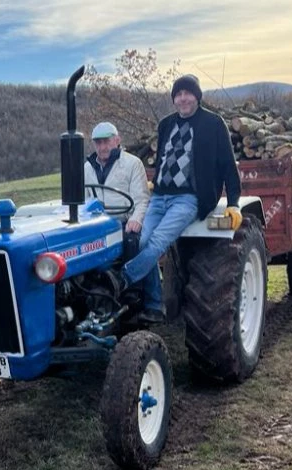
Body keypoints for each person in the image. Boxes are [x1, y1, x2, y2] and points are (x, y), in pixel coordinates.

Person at [111, 74, 243, 323]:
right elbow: (163, 157)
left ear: (197, 96)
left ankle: (122, 280)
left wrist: (234, 203)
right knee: (139, 241)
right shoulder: (165, 124)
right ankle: (154, 304)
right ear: (174, 99)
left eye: (187, 93)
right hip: (160, 197)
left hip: (188, 199)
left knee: (159, 241)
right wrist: (157, 181)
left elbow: (227, 165)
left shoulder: (213, 124)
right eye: (178, 94)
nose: (183, 99)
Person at [84, 122, 150, 235]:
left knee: (140, 242)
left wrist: (136, 219)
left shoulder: (133, 163)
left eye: (106, 141)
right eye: (98, 143)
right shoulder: (87, 167)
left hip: (123, 223)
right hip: (96, 224)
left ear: (117, 140)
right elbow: (84, 201)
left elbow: (142, 200)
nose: (102, 147)